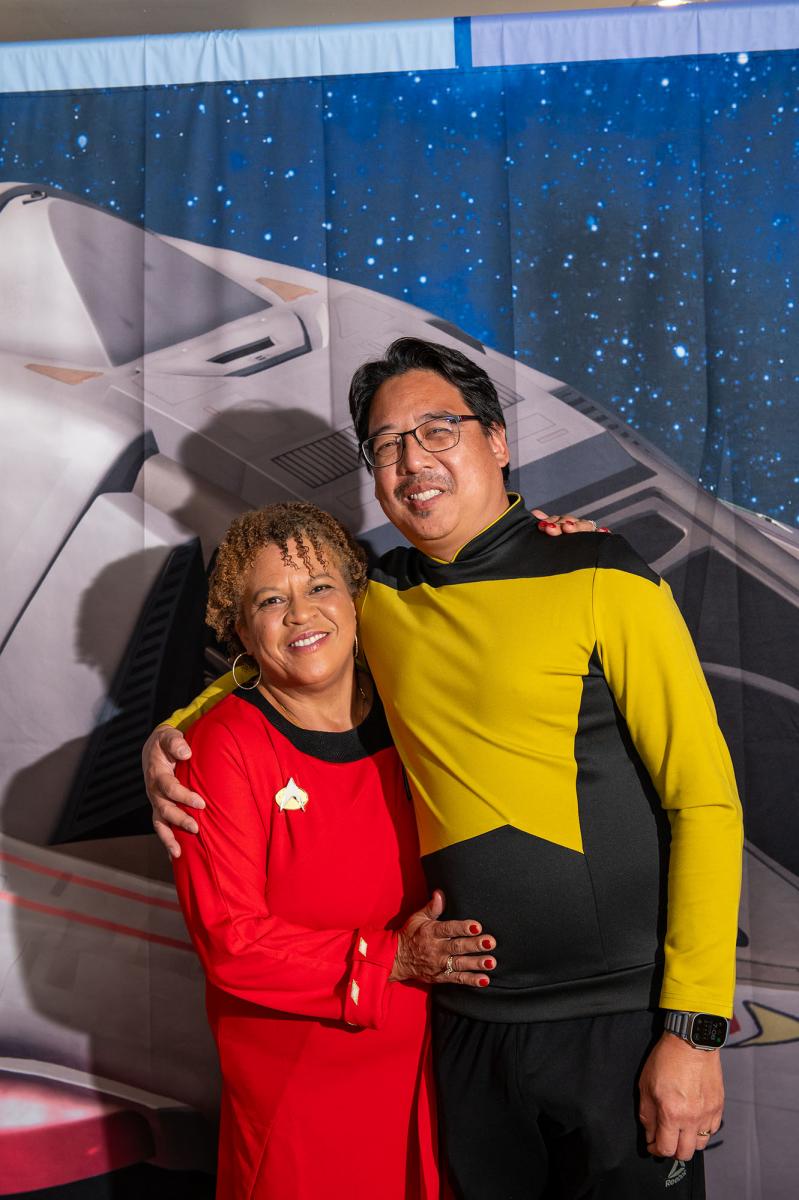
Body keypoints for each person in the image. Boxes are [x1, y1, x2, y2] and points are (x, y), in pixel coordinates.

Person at [144, 338, 742, 1199]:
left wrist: (693, 1030)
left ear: (496, 440)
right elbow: (281, 648)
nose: (412, 460)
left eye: (436, 430)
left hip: (616, 1028)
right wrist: (169, 732)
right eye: (386, 444)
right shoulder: (375, 598)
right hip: (465, 1035)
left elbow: (705, 804)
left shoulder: (604, 576)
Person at [168, 501, 498, 1200]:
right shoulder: (221, 748)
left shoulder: (413, 711)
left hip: (436, 1071)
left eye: (319, 586)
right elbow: (230, 941)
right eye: (270, 600)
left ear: (354, 600)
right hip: (302, 1093)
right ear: (240, 630)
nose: (300, 614)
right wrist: (391, 960)